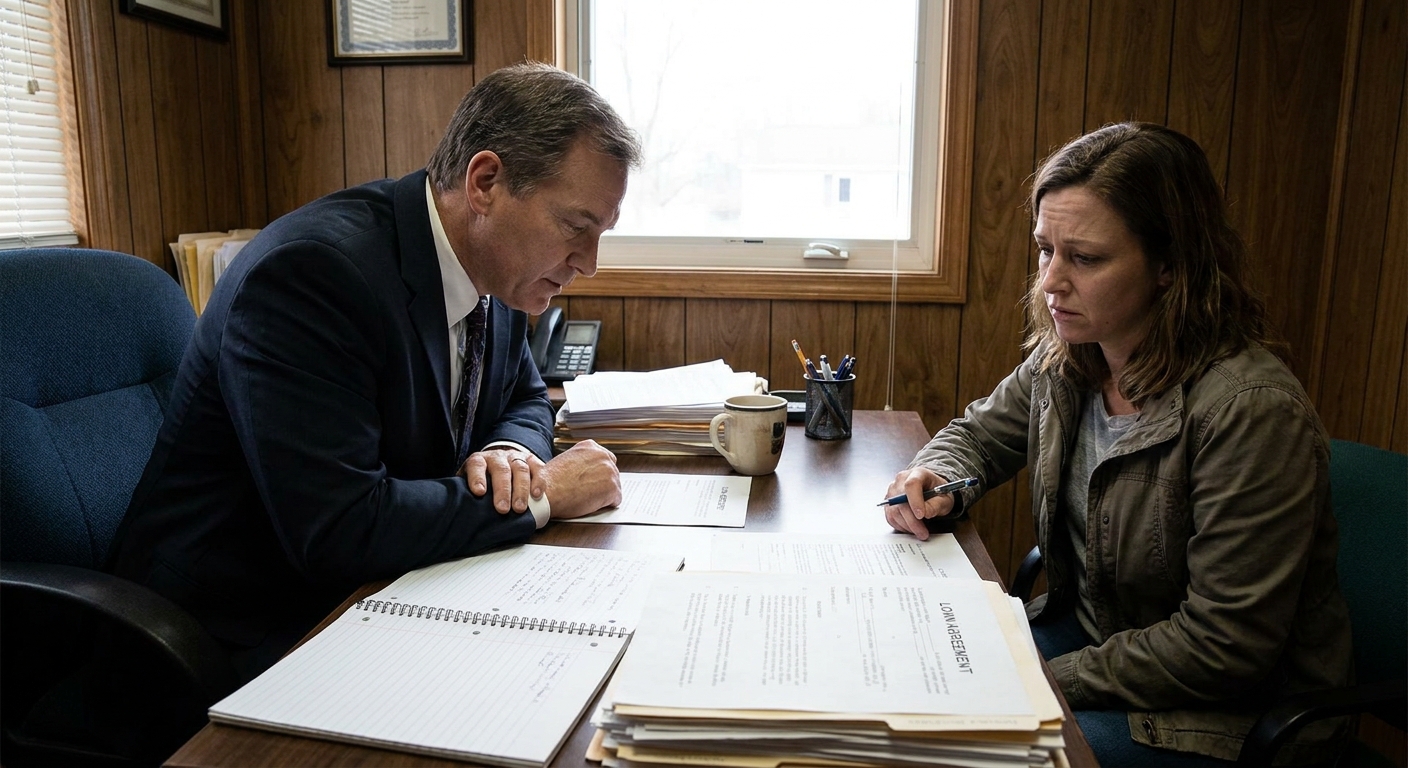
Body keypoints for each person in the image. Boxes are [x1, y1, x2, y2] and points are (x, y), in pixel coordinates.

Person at [109, 62, 640, 682]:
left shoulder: (494, 270)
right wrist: (544, 495)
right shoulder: (314, 276)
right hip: (240, 633)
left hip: (388, 591)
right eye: (577, 227)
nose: (591, 263)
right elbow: (341, 527)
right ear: (486, 183)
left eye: (601, 234)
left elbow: (523, 394)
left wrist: (512, 459)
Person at [882, 123, 1351, 765]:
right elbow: (979, 437)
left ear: (1169, 266)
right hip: (1099, 646)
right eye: (1045, 250)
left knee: (969, 752)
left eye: (1086, 258)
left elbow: (1222, 648)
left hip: (1220, 717)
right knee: (901, 693)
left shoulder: (1250, 413)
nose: (1051, 281)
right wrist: (937, 472)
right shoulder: (1072, 358)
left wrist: (1048, 680)